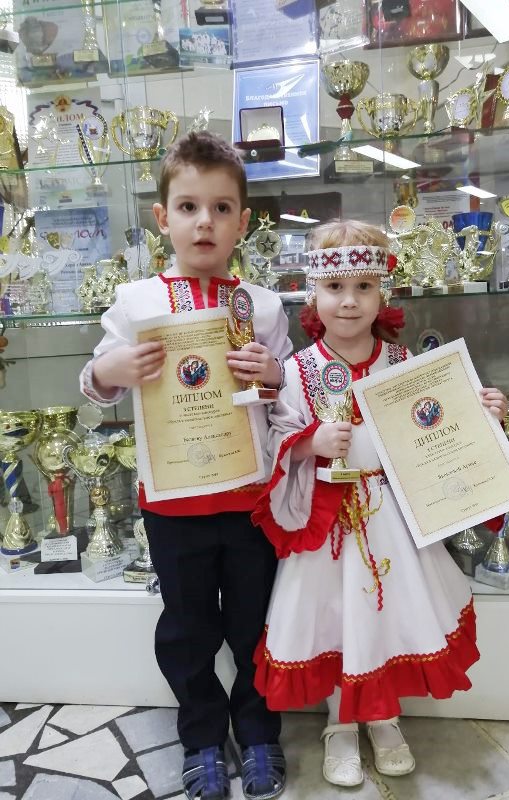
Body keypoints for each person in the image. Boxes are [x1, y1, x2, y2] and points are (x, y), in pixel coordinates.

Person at [251, 220, 508, 789]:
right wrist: (309, 443)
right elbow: (274, 441)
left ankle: (384, 719)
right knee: (337, 621)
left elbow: (435, 426)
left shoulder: (404, 361)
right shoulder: (295, 370)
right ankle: (341, 725)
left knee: (388, 618)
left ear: (382, 292)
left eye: (363, 287)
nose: (349, 301)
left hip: (391, 516)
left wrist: (481, 414)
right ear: (313, 295)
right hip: (326, 526)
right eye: (335, 288)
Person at [79, 131, 291, 800]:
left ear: (243, 222)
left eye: (222, 208)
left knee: (256, 625)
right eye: (189, 207)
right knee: (187, 628)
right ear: (162, 217)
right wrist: (110, 369)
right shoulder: (135, 302)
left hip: (250, 497)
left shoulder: (262, 305)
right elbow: (94, 382)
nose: (205, 222)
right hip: (172, 503)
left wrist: (274, 375)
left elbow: (285, 400)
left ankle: (257, 730)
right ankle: (201, 733)